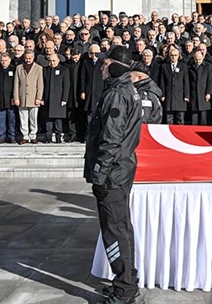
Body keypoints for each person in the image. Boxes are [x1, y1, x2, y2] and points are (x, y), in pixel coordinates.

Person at [84, 45, 143, 304]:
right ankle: (127, 278)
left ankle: (124, 289)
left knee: (114, 231)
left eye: (106, 63)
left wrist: (99, 173)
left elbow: (110, 139)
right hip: (121, 169)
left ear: (117, 64)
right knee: (121, 228)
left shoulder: (118, 94)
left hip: (112, 174)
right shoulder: (126, 90)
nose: (102, 67)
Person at [13, 50, 44, 144]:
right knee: (23, 118)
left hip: (33, 97)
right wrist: (16, 97)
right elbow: (16, 84)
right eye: (26, 58)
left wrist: (39, 97)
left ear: (33, 57)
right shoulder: (19, 68)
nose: (28, 60)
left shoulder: (38, 68)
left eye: (30, 58)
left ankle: (33, 135)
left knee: (33, 118)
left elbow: (40, 84)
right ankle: (25, 136)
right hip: (22, 97)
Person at [42, 54, 71, 143]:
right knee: (48, 120)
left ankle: (58, 137)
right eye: (50, 61)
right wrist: (42, 98)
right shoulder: (46, 70)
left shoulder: (64, 70)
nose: (52, 63)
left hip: (59, 99)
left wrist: (64, 99)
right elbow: (43, 85)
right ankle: (48, 137)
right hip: (48, 98)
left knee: (58, 120)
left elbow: (66, 86)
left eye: (54, 61)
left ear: (58, 60)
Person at [0, 51, 17, 144]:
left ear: (9, 60)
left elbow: (16, 85)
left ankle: (11, 136)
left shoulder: (14, 70)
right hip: (0, 99)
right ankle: (1, 136)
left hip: (10, 99)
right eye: (2, 60)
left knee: (11, 119)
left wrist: (15, 97)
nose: (4, 62)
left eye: (5, 60)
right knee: (1, 119)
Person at [159, 46, 189, 124]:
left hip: (180, 96)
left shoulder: (183, 66)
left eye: (175, 55)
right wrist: (163, 94)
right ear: (169, 56)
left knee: (180, 119)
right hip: (169, 96)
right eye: (172, 55)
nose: (173, 57)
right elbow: (162, 82)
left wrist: (186, 96)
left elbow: (186, 82)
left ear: (179, 55)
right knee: (169, 119)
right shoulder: (164, 67)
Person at [187, 49, 212, 125]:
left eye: (199, 59)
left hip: (204, 93)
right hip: (194, 94)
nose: (198, 61)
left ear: (203, 58)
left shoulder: (208, 66)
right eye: (196, 59)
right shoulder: (190, 67)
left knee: (203, 118)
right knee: (194, 118)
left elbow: (210, 80)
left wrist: (209, 93)